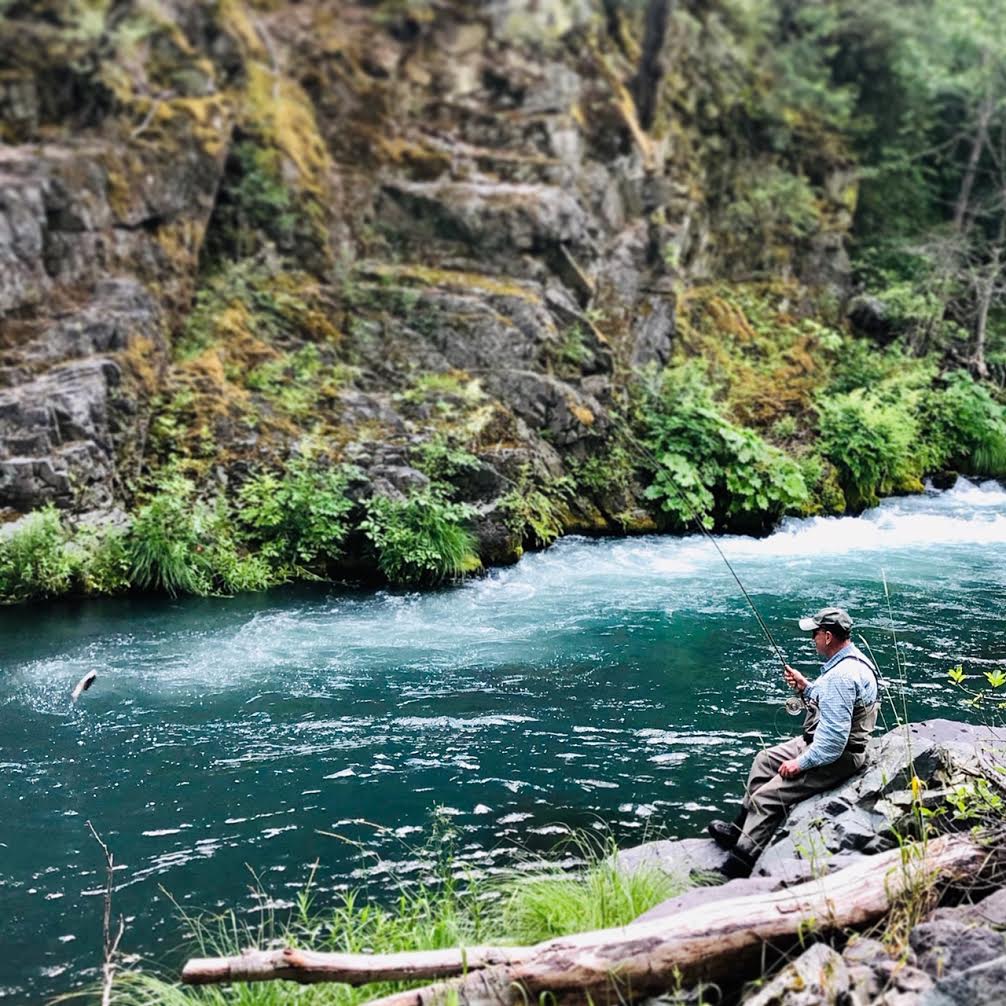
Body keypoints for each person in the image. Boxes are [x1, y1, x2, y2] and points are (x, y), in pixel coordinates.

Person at [707, 606, 879, 879]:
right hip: (821, 743)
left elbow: (832, 743)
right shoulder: (851, 661)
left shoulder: (841, 677)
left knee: (766, 799)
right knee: (764, 760)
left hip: (836, 757)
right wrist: (806, 687)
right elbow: (834, 704)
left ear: (827, 637)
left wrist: (800, 764)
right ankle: (739, 830)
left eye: (815, 633)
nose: (812, 638)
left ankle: (735, 869)